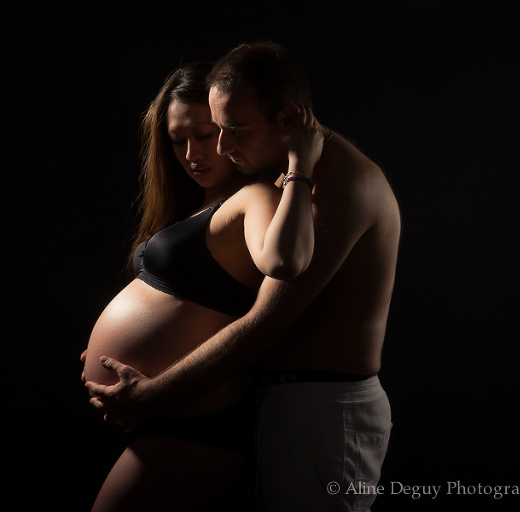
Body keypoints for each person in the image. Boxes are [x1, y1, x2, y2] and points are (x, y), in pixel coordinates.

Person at [86, 41, 401, 512]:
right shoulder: (287, 185)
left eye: (232, 131)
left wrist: (151, 395)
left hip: (321, 409)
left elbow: (265, 323)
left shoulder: (336, 185)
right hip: (281, 401)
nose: (221, 147)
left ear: (289, 121)